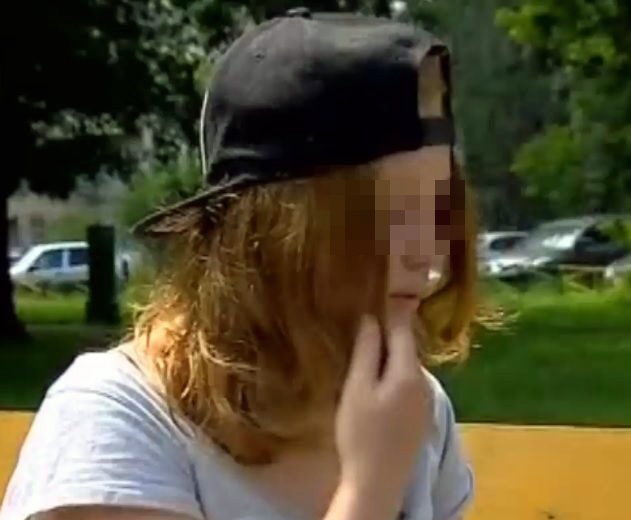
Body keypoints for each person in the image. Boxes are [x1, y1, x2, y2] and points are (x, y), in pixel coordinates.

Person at [1, 8, 478, 520]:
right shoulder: (115, 421)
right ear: (274, 233)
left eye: (437, 208)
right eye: (388, 214)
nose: (427, 252)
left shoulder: (409, 410)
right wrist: (371, 488)